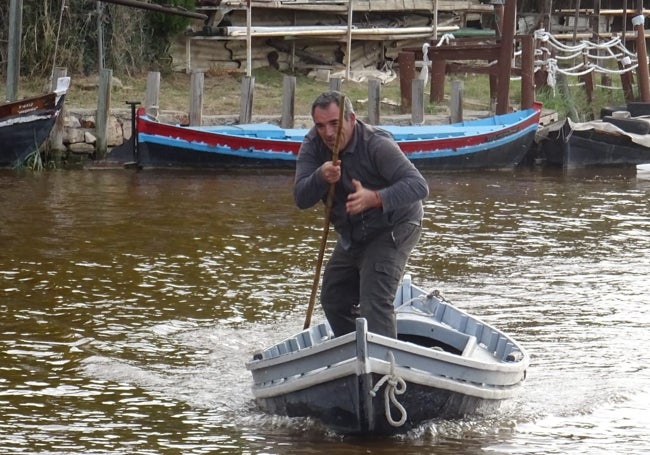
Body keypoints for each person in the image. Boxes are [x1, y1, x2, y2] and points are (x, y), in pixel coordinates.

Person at [294, 90, 429, 338]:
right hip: (352, 232)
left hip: (394, 226)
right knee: (333, 299)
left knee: (374, 302)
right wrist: (320, 177)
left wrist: (375, 198)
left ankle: (385, 368)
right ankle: (358, 352)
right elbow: (301, 198)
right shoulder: (312, 145)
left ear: (351, 119)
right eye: (320, 126)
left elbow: (418, 186)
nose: (328, 133)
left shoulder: (376, 144)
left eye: (334, 124)